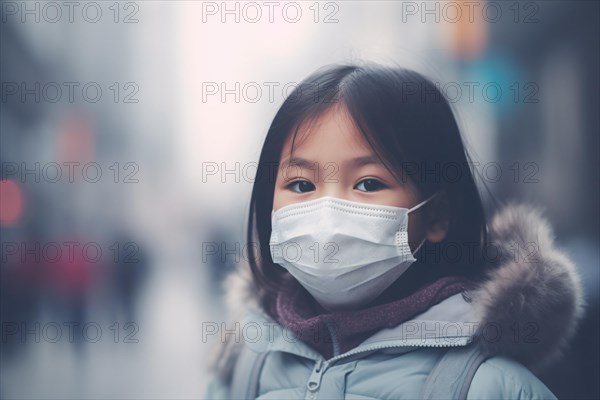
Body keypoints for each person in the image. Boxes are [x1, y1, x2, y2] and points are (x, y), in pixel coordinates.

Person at [204, 63, 585, 399]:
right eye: (302, 185)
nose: (327, 212)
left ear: (436, 216)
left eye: (369, 183)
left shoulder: (491, 387)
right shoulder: (246, 367)